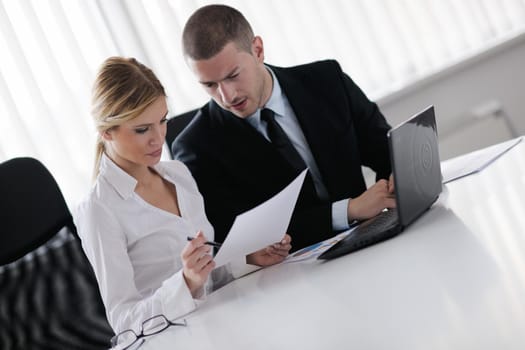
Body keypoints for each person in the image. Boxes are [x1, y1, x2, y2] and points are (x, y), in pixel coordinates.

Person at [74, 57, 292, 334]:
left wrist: (250, 257)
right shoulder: (98, 209)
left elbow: (210, 275)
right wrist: (186, 282)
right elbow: (125, 322)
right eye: (142, 129)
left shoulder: (177, 174)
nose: (158, 138)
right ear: (107, 132)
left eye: (162, 121)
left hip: (220, 323)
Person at [172, 4, 396, 251]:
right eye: (210, 85)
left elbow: (385, 149)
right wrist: (349, 210)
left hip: (374, 240)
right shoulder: (196, 147)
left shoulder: (326, 80)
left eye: (232, 75)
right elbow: (232, 236)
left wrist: (394, 182)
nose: (227, 96)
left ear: (258, 50)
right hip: (290, 274)